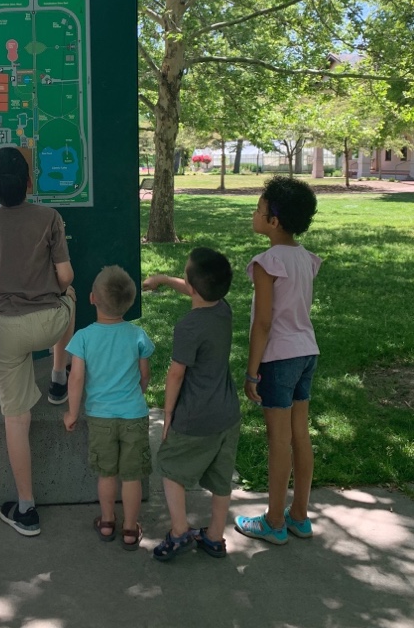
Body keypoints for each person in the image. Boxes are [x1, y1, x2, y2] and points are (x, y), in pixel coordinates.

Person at [0, 146, 76, 536]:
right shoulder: (50, 218)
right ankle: (58, 376)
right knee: (72, 295)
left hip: (3, 329)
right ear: (30, 182)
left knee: (16, 419)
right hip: (49, 323)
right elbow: (65, 277)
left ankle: (27, 509)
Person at [234, 176, 322, 545]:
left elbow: (263, 323)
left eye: (259, 210)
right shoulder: (305, 258)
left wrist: (252, 371)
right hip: (306, 352)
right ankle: (299, 516)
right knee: (300, 435)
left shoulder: (266, 262)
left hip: (279, 358)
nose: (254, 214)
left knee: (279, 440)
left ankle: (273, 521)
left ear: (274, 221)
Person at [142, 247, 239, 561]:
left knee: (170, 467)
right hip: (228, 414)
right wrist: (162, 279)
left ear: (193, 287)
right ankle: (215, 537)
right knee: (222, 480)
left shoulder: (188, 327)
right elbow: (194, 289)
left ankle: (179, 531)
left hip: (195, 416)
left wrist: (168, 412)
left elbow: (176, 374)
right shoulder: (223, 309)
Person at [63, 266, 154, 550]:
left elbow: (76, 379)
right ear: (130, 301)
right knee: (132, 476)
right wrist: (138, 393)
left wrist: (72, 413)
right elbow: (145, 375)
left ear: (92, 299)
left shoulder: (83, 338)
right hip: (134, 415)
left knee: (106, 474)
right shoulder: (137, 335)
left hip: (100, 417)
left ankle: (106, 521)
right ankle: (130, 529)